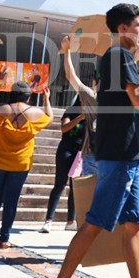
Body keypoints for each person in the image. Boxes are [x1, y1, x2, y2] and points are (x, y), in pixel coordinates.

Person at [56, 3, 139, 278]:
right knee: (94, 223)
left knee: (135, 224)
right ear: (123, 28)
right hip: (121, 154)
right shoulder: (119, 56)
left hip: (128, 154)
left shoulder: (117, 56)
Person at [0, 82, 52, 248]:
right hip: (20, 163)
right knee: (11, 201)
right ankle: (4, 239)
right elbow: (50, 118)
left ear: (11, 94)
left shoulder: (1, 109)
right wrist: (46, 99)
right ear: (28, 97)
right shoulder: (35, 113)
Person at [41, 94, 85, 234]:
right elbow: (64, 128)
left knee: (75, 188)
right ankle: (48, 220)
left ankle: (71, 221)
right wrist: (79, 118)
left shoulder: (92, 115)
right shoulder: (71, 111)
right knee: (59, 184)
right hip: (66, 150)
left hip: (80, 153)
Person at [58, 35, 98, 178]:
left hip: (93, 153)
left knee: (90, 190)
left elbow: (70, 75)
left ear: (94, 82)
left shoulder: (92, 98)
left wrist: (67, 49)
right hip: (114, 156)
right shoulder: (121, 99)